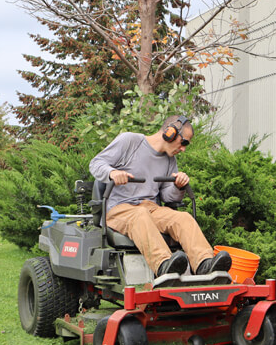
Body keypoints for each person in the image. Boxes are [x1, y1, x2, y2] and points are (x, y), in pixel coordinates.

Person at [89, 115, 232, 277]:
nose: (184, 148)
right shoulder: (129, 141)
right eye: (183, 142)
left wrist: (178, 186)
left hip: (150, 208)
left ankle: (204, 264)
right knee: (140, 215)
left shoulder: (170, 159)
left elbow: (169, 197)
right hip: (119, 209)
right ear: (169, 132)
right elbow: (95, 163)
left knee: (183, 218)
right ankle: (164, 265)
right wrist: (112, 173)